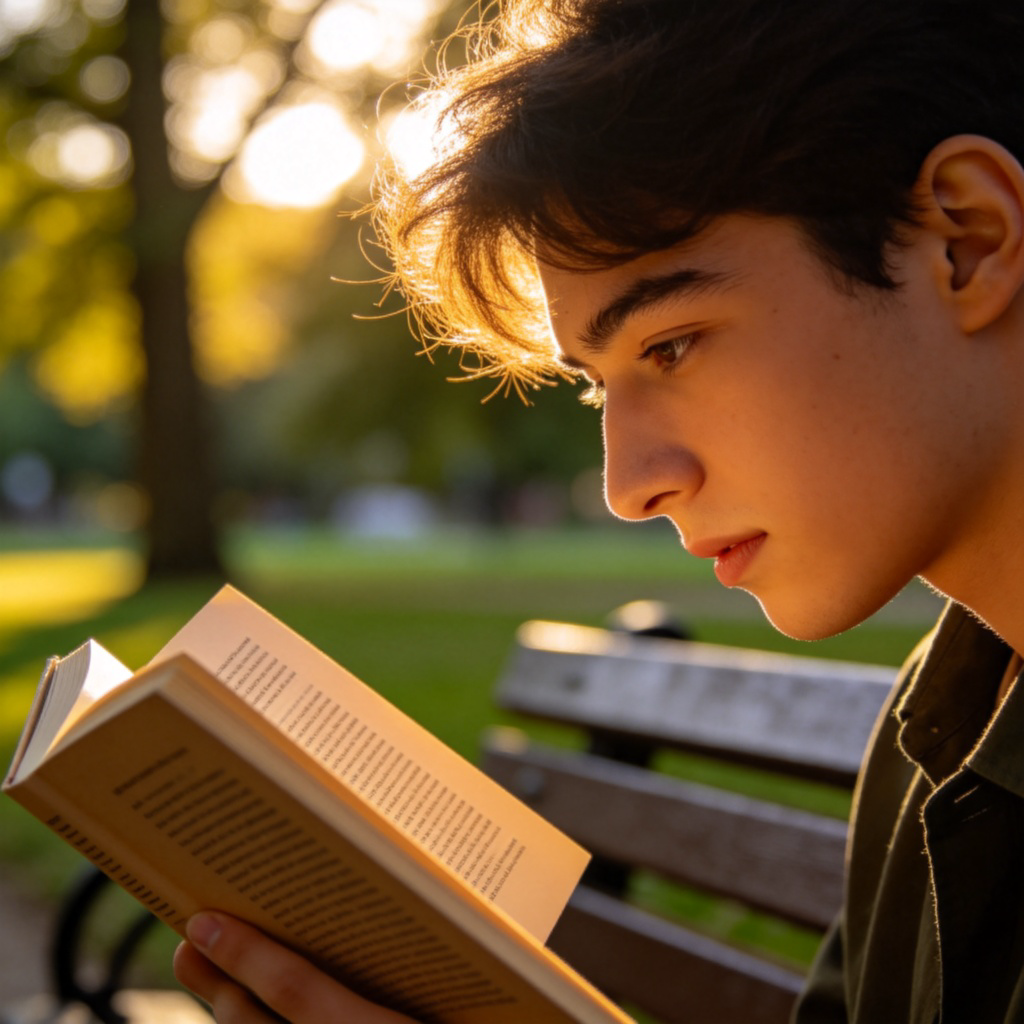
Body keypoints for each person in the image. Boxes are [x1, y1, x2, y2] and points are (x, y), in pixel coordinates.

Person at [173, 0, 1024, 1020]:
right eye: (596, 384)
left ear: (965, 241)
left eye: (670, 345)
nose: (628, 485)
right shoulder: (939, 717)